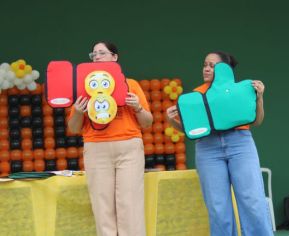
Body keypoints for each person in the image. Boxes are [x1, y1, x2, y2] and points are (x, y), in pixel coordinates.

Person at [166, 51, 273, 236]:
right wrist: (172, 121)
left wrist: (259, 98)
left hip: (240, 145)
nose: (206, 68)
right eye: (205, 65)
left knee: (253, 201)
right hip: (208, 149)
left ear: (225, 69)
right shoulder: (196, 96)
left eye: (212, 65)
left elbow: (256, 121)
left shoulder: (239, 90)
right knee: (217, 207)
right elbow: (191, 130)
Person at [68, 41, 153, 236]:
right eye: (94, 54)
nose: (97, 57)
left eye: (102, 53)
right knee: (101, 204)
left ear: (115, 57)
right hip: (96, 148)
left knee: (130, 203)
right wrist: (79, 112)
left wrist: (137, 107)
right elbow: (73, 128)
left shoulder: (130, 84)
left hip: (129, 147)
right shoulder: (84, 87)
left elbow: (147, 122)